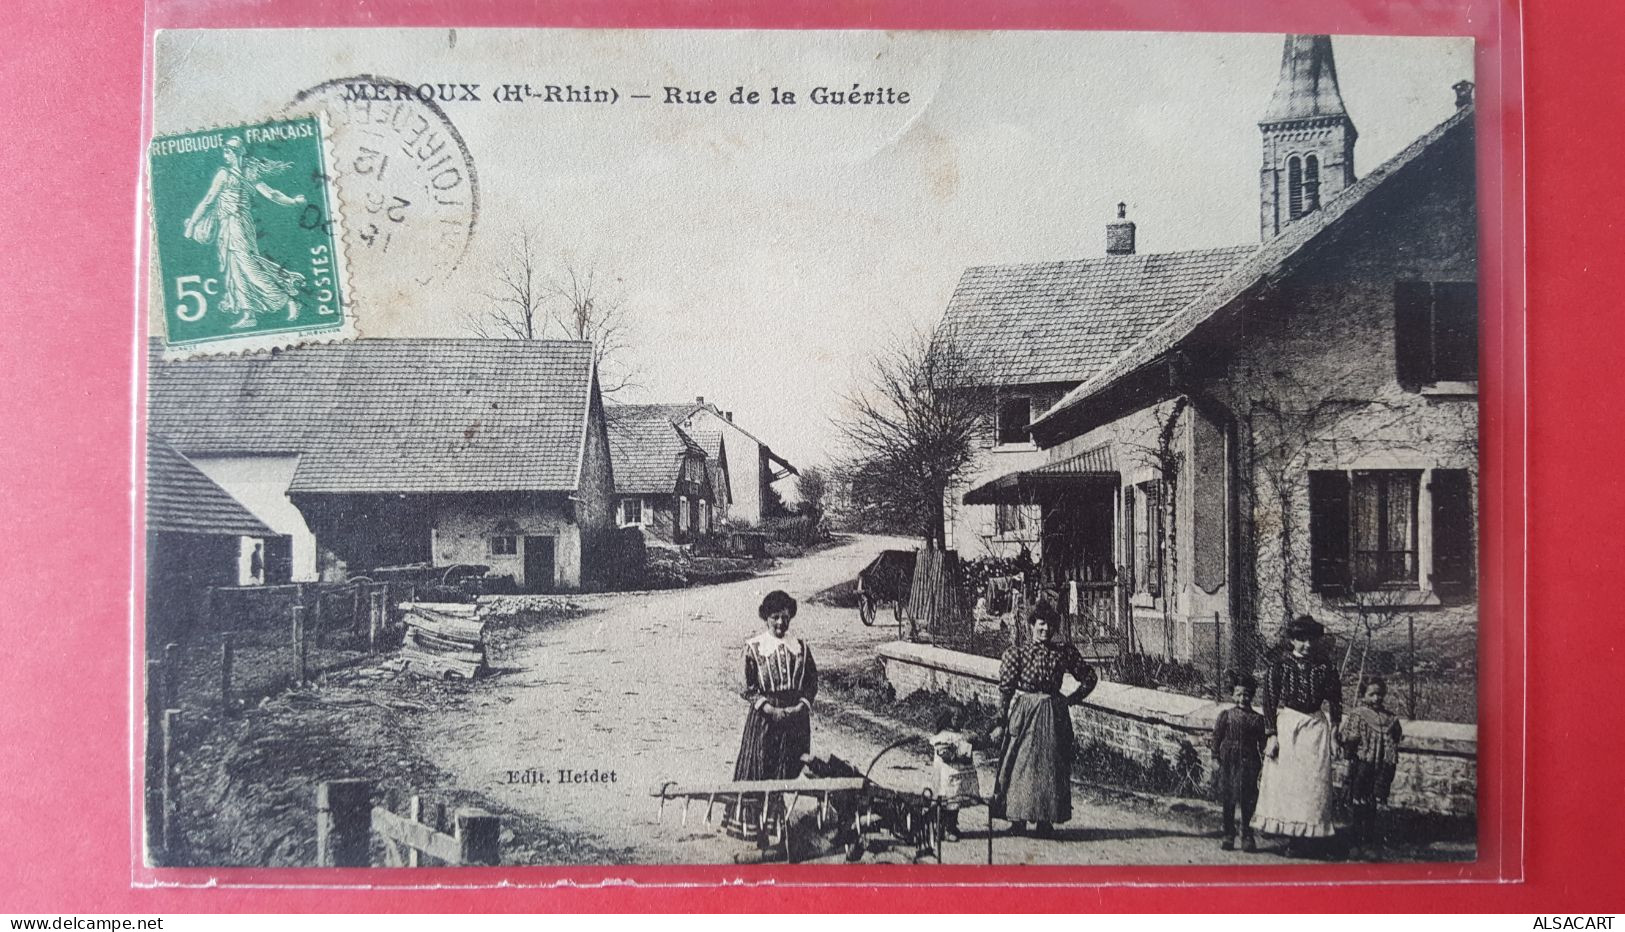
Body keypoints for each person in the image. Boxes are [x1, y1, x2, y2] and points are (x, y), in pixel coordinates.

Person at [991, 601, 1097, 838]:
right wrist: (1000, 718)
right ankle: (1017, 820)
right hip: (1025, 714)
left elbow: (1089, 677)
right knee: (1019, 765)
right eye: (1041, 624)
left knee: (1050, 767)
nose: (1045, 629)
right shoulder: (1018, 653)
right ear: (1031, 625)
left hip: (1053, 715)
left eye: (1050, 625)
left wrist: (1071, 700)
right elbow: (1005, 689)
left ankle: (1045, 821)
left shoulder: (1063, 653)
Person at [183, 137, 308, 330]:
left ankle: (287, 300)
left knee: (248, 266)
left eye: (228, 151)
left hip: (236, 224)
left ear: (235, 153)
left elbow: (208, 200)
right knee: (236, 269)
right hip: (232, 225)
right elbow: (272, 194)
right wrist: (292, 202)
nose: (225, 155)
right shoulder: (248, 174)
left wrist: (192, 224)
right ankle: (249, 314)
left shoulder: (225, 175)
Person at [727, 590, 817, 839]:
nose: (780, 623)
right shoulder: (755, 648)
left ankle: (775, 822)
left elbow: (811, 683)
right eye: (775, 617)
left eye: (785, 617)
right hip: (765, 719)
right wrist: (768, 708)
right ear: (766, 618)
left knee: (785, 767)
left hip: (793, 719)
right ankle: (752, 828)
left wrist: (801, 706)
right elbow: (747, 685)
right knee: (760, 767)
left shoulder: (801, 648)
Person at [1253, 614, 1343, 855]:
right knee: (1290, 783)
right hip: (1290, 726)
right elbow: (1269, 701)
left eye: (1311, 639)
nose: (1307, 644)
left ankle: (1313, 837)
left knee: (1312, 783)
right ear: (1292, 640)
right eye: (1301, 639)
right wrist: (1271, 734)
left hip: (1315, 728)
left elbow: (1335, 700)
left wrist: (1334, 732)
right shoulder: (1280, 666)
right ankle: (1293, 838)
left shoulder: (1324, 667)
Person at [1340, 678, 1404, 857]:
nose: (1376, 698)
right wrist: (1348, 764)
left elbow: (1396, 737)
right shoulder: (1358, 715)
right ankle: (1353, 843)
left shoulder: (1389, 718)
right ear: (1363, 695)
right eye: (1372, 694)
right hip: (1361, 766)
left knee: (1371, 804)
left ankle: (1368, 844)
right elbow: (1350, 742)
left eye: (1379, 694)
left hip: (1381, 767)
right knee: (1357, 803)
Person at [1212, 671, 1269, 852]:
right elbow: (1216, 739)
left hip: (1249, 762)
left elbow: (1263, 744)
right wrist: (1215, 758)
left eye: (1246, 694)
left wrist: (1265, 764)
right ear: (1232, 695)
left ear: (1251, 695)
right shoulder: (1225, 716)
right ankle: (1229, 833)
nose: (1242, 698)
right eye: (1238, 694)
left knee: (1248, 799)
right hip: (1229, 761)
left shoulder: (1258, 719)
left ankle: (1247, 834)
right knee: (1228, 799)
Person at [928, 705, 992, 842]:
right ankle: (943, 829)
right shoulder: (943, 736)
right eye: (955, 718)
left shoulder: (964, 735)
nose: (958, 721)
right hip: (947, 774)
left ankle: (951, 826)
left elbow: (976, 744)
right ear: (948, 719)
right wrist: (957, 755)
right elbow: (944, 752)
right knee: (947, 801)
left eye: (961, 718)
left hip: (960, 775)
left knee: (956, 802)